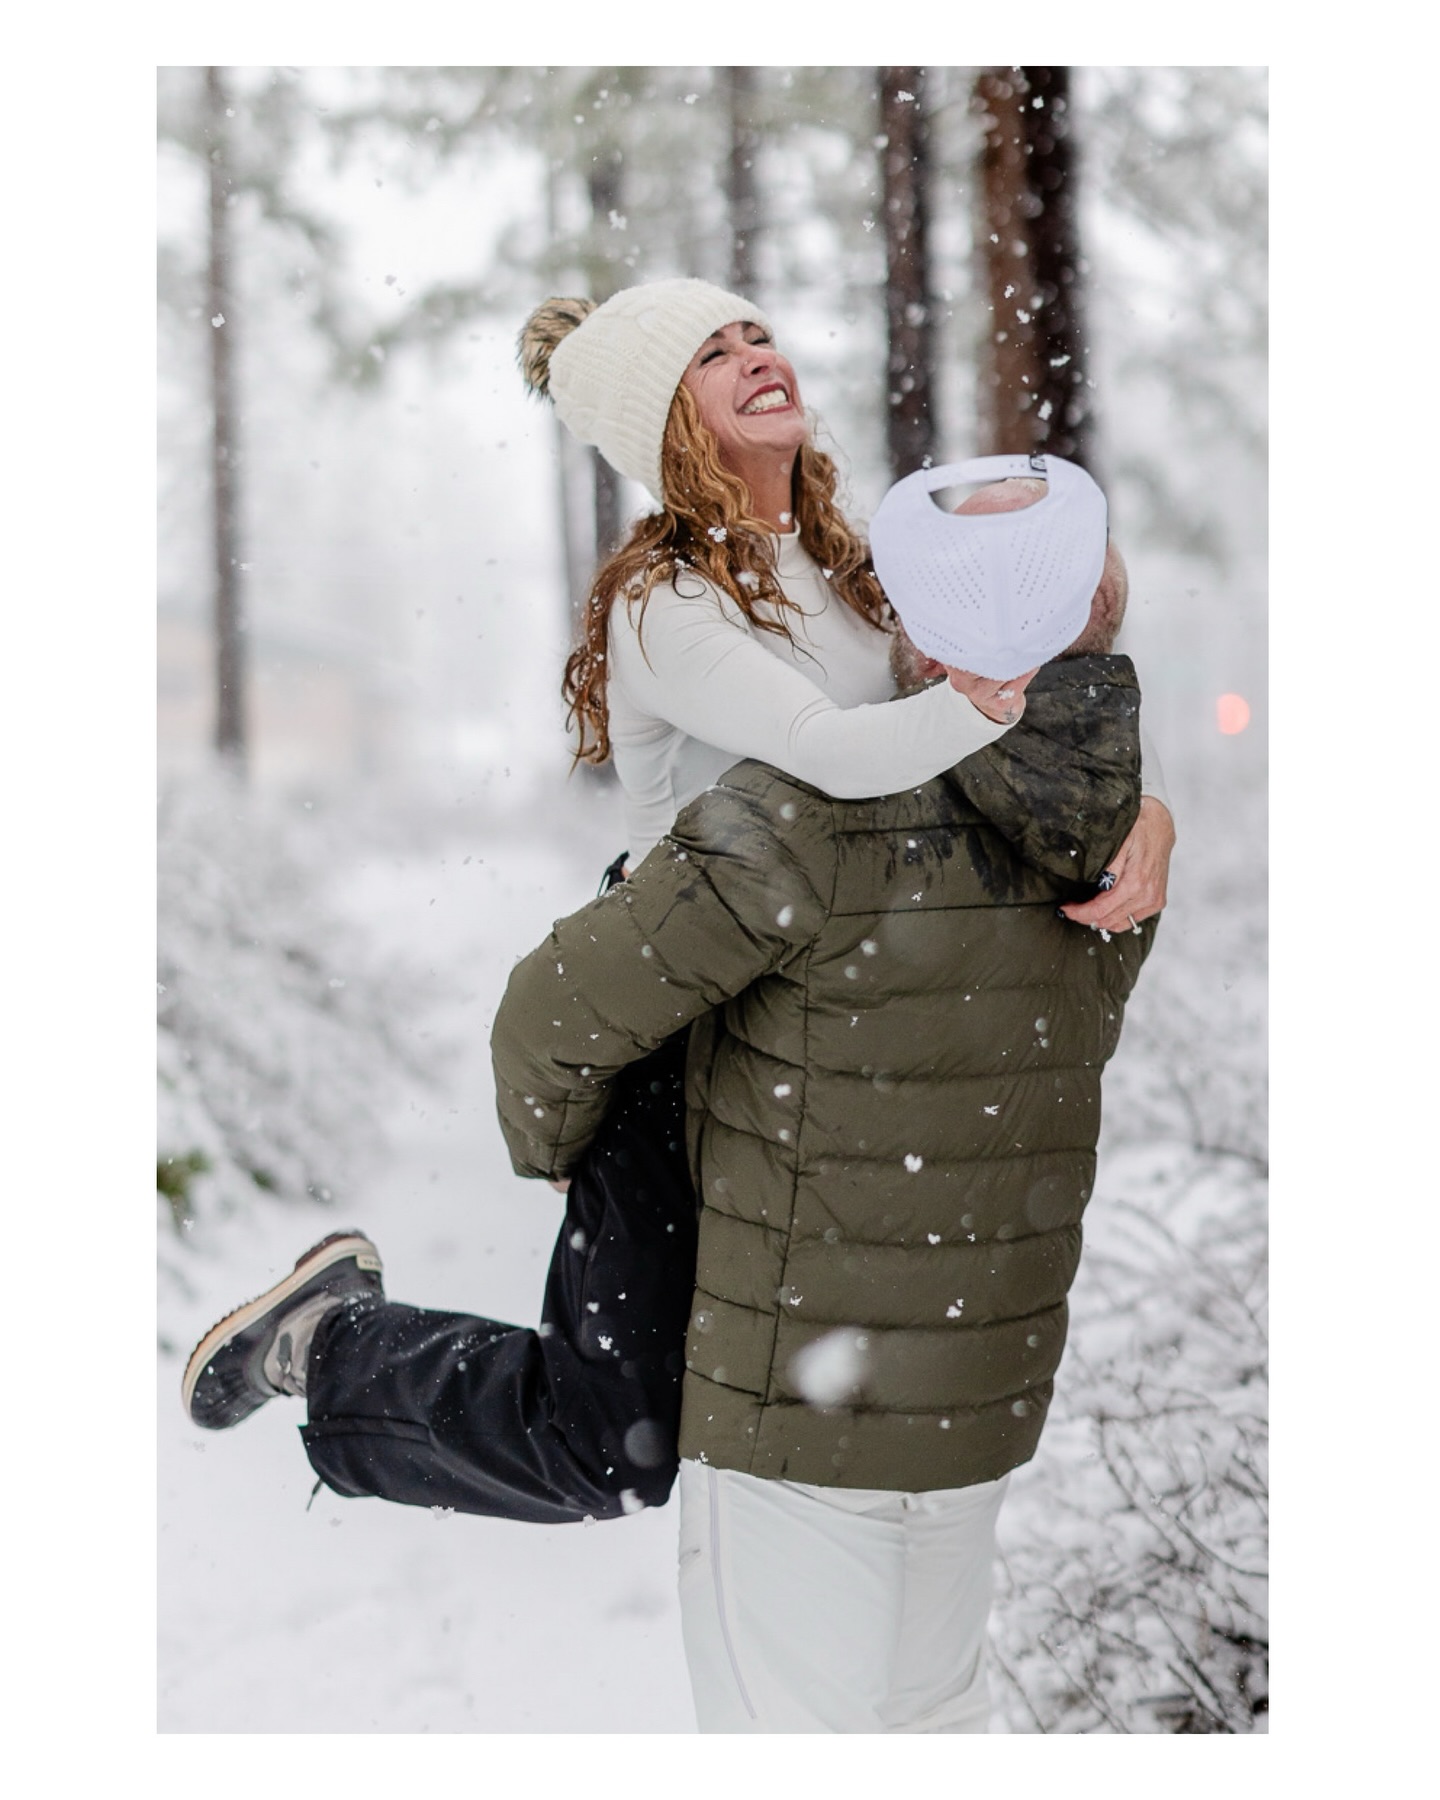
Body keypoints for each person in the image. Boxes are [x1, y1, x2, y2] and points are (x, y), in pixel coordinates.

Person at [182, 279, 1172, 1531]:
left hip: (818, 1025)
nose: (759, 354)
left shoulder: (861, 563)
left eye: (759, 329)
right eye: (714, 352)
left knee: (788, 1389)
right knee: (610, 1439)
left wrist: (1141, 807)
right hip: (676, 1016)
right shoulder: (666, 599)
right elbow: (838, 753)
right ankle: (328, 1345)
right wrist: (994, 698)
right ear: (666, 421)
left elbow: (1004, 721)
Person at [487, 479, 1156, 1730]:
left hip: (799, 1414)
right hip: (978, 1401)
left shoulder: (801, 821)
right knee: (928, 1727)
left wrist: (583, 1154)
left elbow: (551, 1016)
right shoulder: (1123, 845)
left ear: (937, 640)